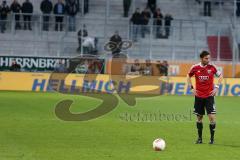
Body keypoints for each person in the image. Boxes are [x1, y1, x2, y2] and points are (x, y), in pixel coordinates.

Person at [187, 51, 223, 144]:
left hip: (209, 96)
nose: (208, 60)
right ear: (201, 58)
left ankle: (212, 139)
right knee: (199, 118)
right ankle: (199, 139)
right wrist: (191, 87)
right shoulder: (195, 67)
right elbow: (188, 75)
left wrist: (216, 87)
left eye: (209, 58)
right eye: (206, 58)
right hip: (199, 96)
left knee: (212, 117)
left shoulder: (212, 67)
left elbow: (220, 75)